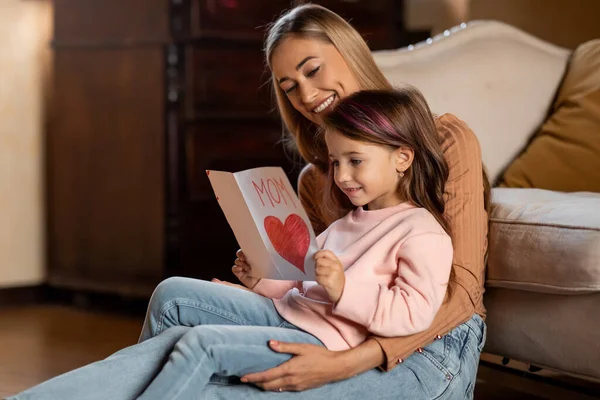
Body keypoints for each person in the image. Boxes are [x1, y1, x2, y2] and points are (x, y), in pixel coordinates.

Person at [9, 4, 488, 400]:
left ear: (350, 52)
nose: (306, 95)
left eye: (313, 70)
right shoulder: (320, 179)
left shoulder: (442, 140)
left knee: (212, 378)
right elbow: (312, 283)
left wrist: (341, 364)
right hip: (328, 323)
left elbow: (461, 296)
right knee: (176, 303)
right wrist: (264, 282)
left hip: (428, 349)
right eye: (288, 86)